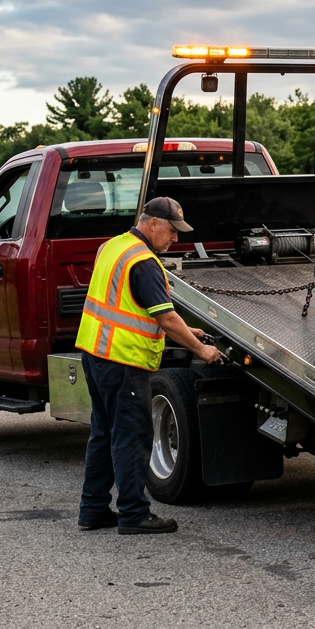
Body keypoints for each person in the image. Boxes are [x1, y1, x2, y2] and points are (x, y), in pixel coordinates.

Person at [75, 196, 221, 534]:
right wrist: (202, 349)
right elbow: (166, 318)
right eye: (171, 231)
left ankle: (93, 509)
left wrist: (190, 331)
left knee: (103, 433)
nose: (175, 239)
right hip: (124, 361)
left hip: (96, 354)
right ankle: (133, 513)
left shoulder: (113, 246)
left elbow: (132, 307)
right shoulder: (144, 262)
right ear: (152, 223)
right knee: (132, 436)